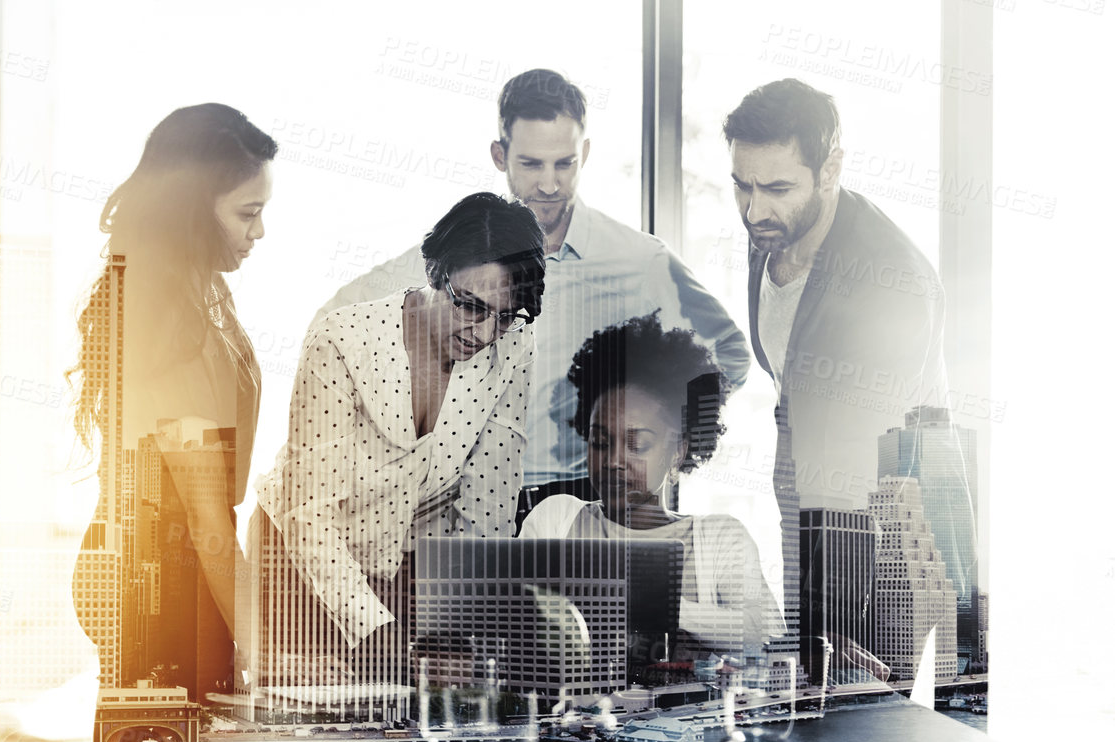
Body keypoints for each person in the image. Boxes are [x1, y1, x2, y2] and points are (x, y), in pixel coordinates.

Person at [321, 69, 750, 528]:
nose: (549, 185)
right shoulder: (453, 258)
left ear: (584, 153)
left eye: (564, 163)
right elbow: (337, 325)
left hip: (582, 506)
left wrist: (669, 444)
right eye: (531, 164)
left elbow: (730, 355)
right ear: (499, 155)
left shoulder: (640, 261)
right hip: (461, 501)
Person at [724, 78, 973, 679]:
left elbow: (856, 469)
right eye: (742, 184)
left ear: (830, 168)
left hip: (893, 537)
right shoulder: (773, 230)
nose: (755, 209)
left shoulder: (890, 281)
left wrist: (827, 626)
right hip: (806, 484)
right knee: (817, 698)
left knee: (872, 716)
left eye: (777, 188)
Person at [254, 192, 545, 691]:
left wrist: (455, 629)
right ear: (436, 272)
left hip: (411, 567)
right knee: (318, 727)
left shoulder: (512, 345)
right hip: (300, 563)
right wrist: (374, 630)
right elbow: (310, 517)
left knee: (417, 722)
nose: (485, 333)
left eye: (504, 314)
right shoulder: (342, 340)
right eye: (471, 306)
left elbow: (488, 509)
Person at [70, 104, 276, 702]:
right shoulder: (174, 322)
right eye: (248, 213)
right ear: (193, 209)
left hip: (167, 565)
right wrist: (266, 653)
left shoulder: (201, 291)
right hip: (155, 576)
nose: (258, 231)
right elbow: (208, 524)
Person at [519, 313, 782, 666]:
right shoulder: (557, 519)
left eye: (638, 444)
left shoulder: (719, 537)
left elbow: (762, 633)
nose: (614, 460)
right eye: (599, 442)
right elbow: (515, 620)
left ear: (679, 451)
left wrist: (664, 604)